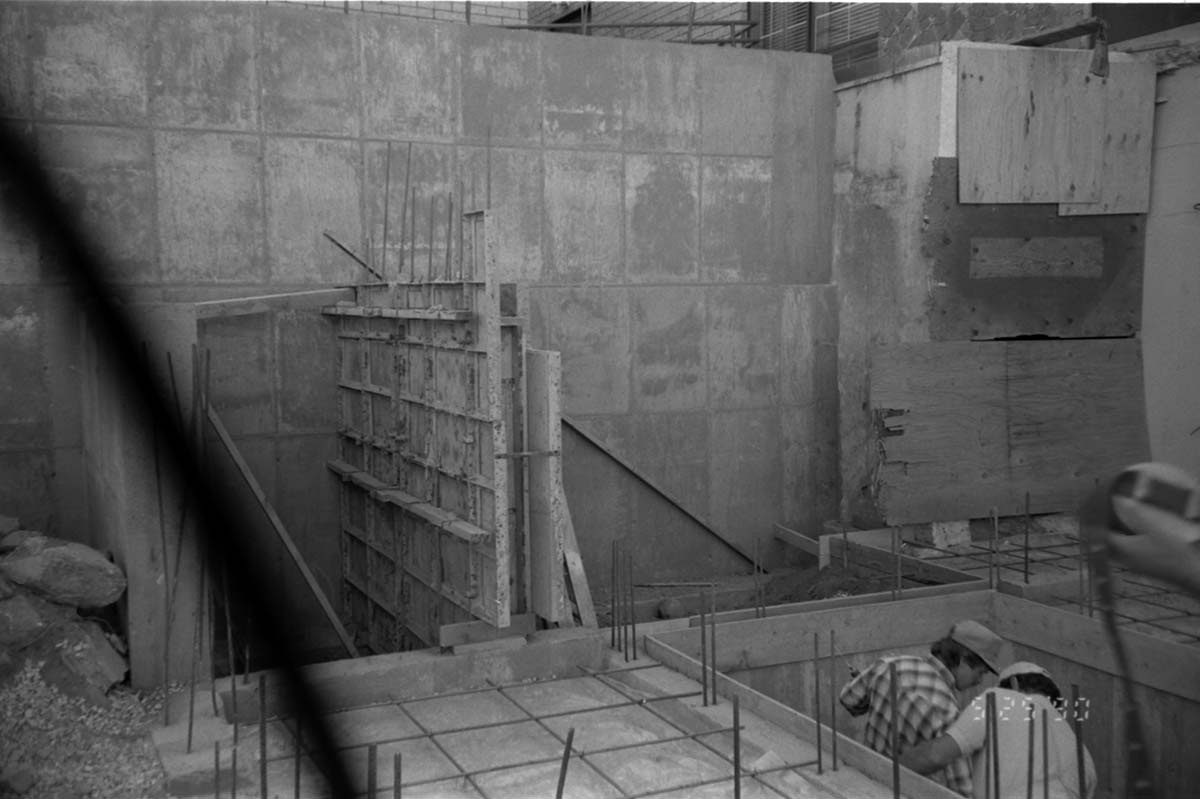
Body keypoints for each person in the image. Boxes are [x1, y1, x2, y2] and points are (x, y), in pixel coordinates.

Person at [839, 619, 1006, 796]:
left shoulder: (889, 664)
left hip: (867, 784)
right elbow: (963, 789)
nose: (979, 681)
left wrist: (876, 690)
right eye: (980, 673)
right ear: (964, 660)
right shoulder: (947, 713)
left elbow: (849, 699)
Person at [899, 661, 1097, 799]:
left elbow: (934, 756)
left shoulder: (999, 699)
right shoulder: (1082, 753)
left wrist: (882, 769)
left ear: (1013, 684)